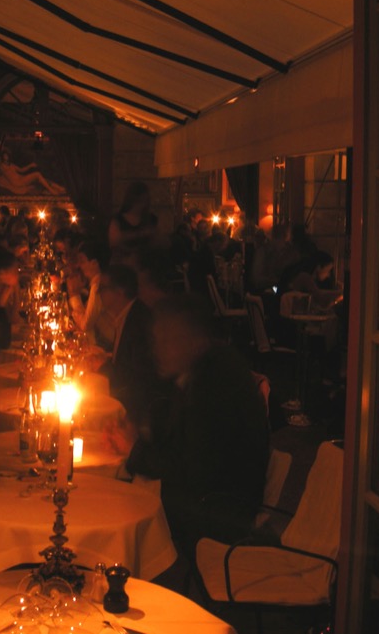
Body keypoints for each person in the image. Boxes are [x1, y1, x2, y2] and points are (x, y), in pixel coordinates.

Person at [108, 295, 268, 554]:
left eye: (168, 340)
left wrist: (134, 450)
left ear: (195, 339)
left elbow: (191, 469)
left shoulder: (215, 384)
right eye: (157, 340)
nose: (157, 350)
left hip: (218, 514)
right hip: (207, 498)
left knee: (120, 510)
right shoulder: (203, 368)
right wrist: (141, 435)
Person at [95, 264, 159, 433]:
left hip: (137, 412)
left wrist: (101, 367)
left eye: (103, 288)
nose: (98, 293)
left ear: (120, 291)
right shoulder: (127, 315)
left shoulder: (139, 322)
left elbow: (135, 376)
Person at [108, 181, 158, 258]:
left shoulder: (151, 219)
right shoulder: (118, 219)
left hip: (146, 261)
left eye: (146, 201)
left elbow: (158, 242)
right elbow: (114, 242)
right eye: (140, 201)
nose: (144, 205)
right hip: (122, 261)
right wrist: (140, 234)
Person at [0, 148, 66, 195]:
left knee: (40, 179)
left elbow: (21, 170)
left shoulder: (12, 165)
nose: (6, 157)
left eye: (7, 155)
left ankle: (58, 188)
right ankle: (51, 190)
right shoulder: (2, 166)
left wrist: (30, 165)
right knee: (37, 174)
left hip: (22, 178)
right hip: (18, 182)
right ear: (2, 157)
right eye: (5, 156)